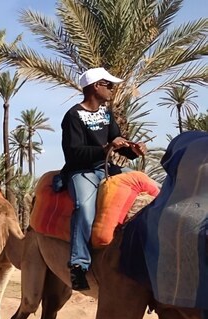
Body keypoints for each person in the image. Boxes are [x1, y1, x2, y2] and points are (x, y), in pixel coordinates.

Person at [61, 67, 145, 291]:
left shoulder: (106, 114)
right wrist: (106, 148)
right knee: (84, 207)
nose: (111, 89)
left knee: (148, 187)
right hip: (82, 171)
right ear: (95, 86)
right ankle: (78, 265)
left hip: (107, 167)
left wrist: (132, 150)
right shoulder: (73, 116)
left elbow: (116, 139)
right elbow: (74, 152)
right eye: (108, 85)